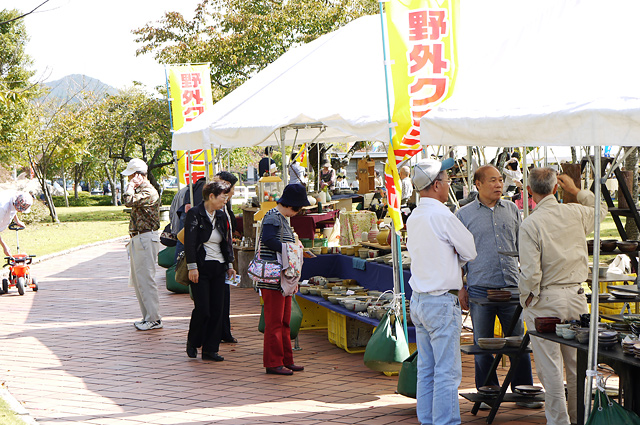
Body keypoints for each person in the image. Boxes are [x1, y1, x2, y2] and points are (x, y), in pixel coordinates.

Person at [518, 168, 608, 425]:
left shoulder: (531, 223)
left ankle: (559, 422)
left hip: (546, 298)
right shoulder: (575, 211)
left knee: (551, 369)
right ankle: (580, 418)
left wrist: (527, 298)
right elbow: (601, 212)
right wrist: (577, 191)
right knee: (576, 366)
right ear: (556, 188)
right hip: (576, 296)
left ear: (529, 191)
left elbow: (530, 272)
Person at [455, 165, 536, 405]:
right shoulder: (464, 215)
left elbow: (523, 248)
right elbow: (458, 255)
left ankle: (524, 392)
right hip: (480, 289)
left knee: (517, 343)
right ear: (478, 184)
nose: (499, 184)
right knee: (482, 344)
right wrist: (461, 287)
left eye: (500, 180)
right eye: (492, 180)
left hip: (511, 287)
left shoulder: (512, 209)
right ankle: (488, 392)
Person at [406, 158, 477, 425]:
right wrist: (455, 259)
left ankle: (428, 420)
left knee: (427, 369)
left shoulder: (415, 216)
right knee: (446, 372)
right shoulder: (442, 215)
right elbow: (470, 250)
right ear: (436, 185)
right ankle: (445, 422)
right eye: (447, 181)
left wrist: (451, 258)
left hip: (420, 300)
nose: (449, 185)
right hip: (440, 301)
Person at [255, 184, 310, 375]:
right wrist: (293, 250)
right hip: (273, 278)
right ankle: (273, 362)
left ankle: (286, 359)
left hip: (281, 277)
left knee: (284, 321)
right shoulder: (273, 217)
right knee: (275, 322)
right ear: (293, 205)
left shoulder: (280, 218)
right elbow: (269, 241)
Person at [184, 179, 236, 361]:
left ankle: (210, 349)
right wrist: (192, 267)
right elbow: (190, 243)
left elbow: (227, 242)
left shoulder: (222, 215)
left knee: (217, 309)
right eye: (223, 197)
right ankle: (193, 341)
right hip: (201, 267)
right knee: (203, 309)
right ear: (211, 196)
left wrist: (230, 265)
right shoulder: (195, 214)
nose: (226, 201)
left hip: (219, 267)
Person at [122, 158, 162, 331]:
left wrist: (130, 188)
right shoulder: (143, 190)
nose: (128, 179)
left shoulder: (149, 192)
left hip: (145, 238)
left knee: (146, 279)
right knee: (139, 280)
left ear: (138, 175)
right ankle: (148, 317)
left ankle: (154, 318)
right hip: (139, 238)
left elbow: (128, 201)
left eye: (130, 176)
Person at [216, 171, 240, 344]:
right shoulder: (213, 206)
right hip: (216, 258)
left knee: (224, 296)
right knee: (218, 298)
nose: (232, 193)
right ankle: (218, 331)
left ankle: (224, 330)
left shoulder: (225, 205)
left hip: (225, 257)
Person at [0, 191, 33, 257]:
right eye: (21, 209)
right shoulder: (2, 208)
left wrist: (17, 221)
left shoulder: (15, 200)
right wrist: (4, 246)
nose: (21, 211)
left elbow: (13, 210)